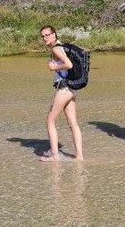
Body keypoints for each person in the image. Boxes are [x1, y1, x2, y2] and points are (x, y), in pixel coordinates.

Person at [39, 25, 84, 162]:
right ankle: (79, 157)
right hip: (71, 88)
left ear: (54, 34)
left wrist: (54, 67)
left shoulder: (56, 48)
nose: (45, 38)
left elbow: (69, 65)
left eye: (47, 35)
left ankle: (54, 156)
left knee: (50, 121)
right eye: (42, 36)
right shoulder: (61, 46)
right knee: (73, 123)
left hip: (64, 88)